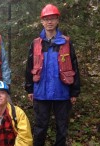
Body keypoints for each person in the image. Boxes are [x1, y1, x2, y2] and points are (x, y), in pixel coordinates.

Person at [25, 4, 80, 146]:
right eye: (46, 19)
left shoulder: (66, 42)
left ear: (57, 21)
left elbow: (74, 66)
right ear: (42, 21)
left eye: (52, 18)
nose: (49, 22)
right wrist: (30, 89)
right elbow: (29, 66)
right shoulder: (36, 43)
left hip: (62, 92)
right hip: (41, 92)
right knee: (40, 127)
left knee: (62, 127)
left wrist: (74, 91)